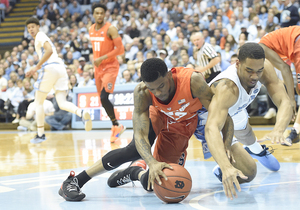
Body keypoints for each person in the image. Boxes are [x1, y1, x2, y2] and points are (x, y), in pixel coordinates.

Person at [58, 58, 257, 202]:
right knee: (134, 149)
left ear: (169, 74)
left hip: (182, 127)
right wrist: (151, 161)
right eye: (153, 89)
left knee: (159, 183)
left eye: (161, 86)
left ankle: (135, 172)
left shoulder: (192, 81)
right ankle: (75, 180)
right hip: (159, 116)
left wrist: (226, 145)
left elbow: (224, 117)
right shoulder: (143, 93)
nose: (159, 92)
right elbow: (140, 135)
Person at [205, 43, 293, 198]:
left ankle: (255, 149)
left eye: (258, 71)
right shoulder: (228, 87)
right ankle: (221, 168)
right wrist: (226, 166)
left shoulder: (263, 68)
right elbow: (211, 128)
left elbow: (285, 102)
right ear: (237, 63)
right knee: (249, 173)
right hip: (214, 118)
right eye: (249, 70)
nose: (255, 76)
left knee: (247, 133)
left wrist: (278, 129)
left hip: (236, 110)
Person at [25, 17, 92, 144]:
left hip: (50, 68)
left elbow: (49, 51)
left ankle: (40, 134)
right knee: (61, 102)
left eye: (33, 26)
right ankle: (82, 112)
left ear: (38, 27)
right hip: (61, 68)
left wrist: (36, 67)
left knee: (38, 102)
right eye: (29, 28)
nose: (31, 30)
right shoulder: (40, 37)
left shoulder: (40, 35)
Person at [89, 3, 125, 143]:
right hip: (98, 68)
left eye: (101, 13)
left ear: (105, 14)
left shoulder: (111, 29)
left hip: (110, 67)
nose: (99, 15)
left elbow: (120, 50)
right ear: (93, 14)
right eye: (97, 13)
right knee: (101, 99)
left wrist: (102, 58)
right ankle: (116, 125)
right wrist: (95, 61)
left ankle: (116, 125)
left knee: (104, 97)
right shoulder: (91, 29)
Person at [258, 26, 300, 145]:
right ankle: (296, 130)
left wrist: (292, 100)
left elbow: (285, 68)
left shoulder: (262, 48)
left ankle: (296, 130)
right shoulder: (267, 46)